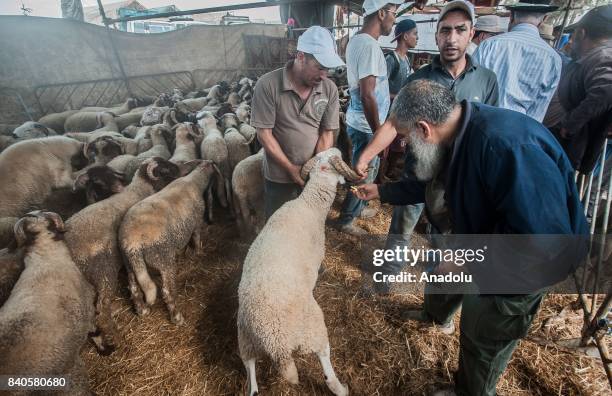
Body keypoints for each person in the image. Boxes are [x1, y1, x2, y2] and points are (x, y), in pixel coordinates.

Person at [353, 80, 588, 396]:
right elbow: (431, 180)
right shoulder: (455, 130)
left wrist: (466, 262)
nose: (405, 145)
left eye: (406, 138)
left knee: (484, 329)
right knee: (442, 274)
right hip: (482, 234)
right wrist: (383, 191)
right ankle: (435, 316)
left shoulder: (506, 148)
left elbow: (541, 239)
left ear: (424, 129)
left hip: (528, 260)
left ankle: (471, 390)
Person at [359, 0, 500, 295]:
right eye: (445, 31)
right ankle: (388, 278)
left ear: (472, 33)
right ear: (435, 36)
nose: (451, 38)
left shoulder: (486, 80)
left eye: (460, 30)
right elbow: (392, 124)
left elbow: (490, 131)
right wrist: (367, 155)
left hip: (456, 183)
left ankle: (437, 291)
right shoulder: (419, 78)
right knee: (401, 228)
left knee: (445, 238)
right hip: (418, 175)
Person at [250, 26, 344, 220]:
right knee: (277, 227)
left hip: (313, 176)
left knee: (307, 224)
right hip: (279, 176)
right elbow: (264, 134)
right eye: (319, 67)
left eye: (327, 69)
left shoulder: (329, 89)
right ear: (301, 56)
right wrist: (290, 168)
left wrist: (316, 168)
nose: (324, 75)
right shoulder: (268, 85)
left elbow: (327, 132)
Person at [334, 0, 404, 236]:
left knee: (366, 169)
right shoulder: (369, 47)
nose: (394, 19)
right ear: (382, 13)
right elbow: (367, 94)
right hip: (366, 125)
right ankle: (347, 219)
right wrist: (378, 132)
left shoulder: (357, 40)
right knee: (364, 170)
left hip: (359, 120)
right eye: (393, 13)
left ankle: (358, 206)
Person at [473, 0, 561, 122]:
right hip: (518, 130)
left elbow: (472, 88)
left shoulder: (489, 45)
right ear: (544, 19)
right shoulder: (553, 59)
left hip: (481, 121)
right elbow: (537, 112)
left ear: (511, 16)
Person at [553, 4, 612, 174]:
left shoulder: (603, 57)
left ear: (581, 33)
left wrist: (569, 125)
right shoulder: (595, 57)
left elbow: (604, 92)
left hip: (573, 148)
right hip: (569, 147)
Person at [378, 18, 418, 182]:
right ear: (405, 36)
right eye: (415, 34)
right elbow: (379, 90)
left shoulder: (407, 60)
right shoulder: (391, 60)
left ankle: (388, 173)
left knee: (398, 146)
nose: (417, 38)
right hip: (388, 113)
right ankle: (378, 179)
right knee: (384, 147)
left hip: (400, 112)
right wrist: (401, 95)